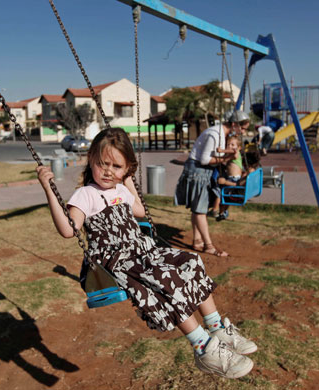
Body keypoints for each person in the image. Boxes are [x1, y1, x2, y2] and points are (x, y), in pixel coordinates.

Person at [37, 127, 257, 379]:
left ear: (126, 169)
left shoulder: (120, 190)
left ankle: (216, 328)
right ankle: (203, 348)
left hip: (141, 251)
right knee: (167, 279)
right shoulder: (86, 194)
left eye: (117, 167)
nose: (108, 171)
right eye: (102, 164)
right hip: (116, 260)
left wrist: (127, 179)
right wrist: (49, 189)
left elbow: (139, 210)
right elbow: (68, 229)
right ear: (91, 161)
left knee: (191, 260)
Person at [174, 110, 250, 256]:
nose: (243, 132)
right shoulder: (215, 134)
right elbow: (204, 160)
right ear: (234, 124)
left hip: (203, 171)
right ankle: (209, 246)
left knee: (197, 208)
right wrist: (228, 159)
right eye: (243, 128)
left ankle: (197, 240)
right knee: (200, 210)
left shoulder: (222, 134)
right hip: (198, 171)